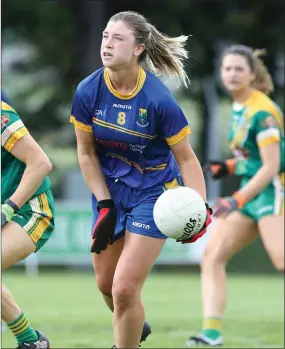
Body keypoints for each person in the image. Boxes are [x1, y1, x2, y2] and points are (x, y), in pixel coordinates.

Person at [70, 11, 212, 349]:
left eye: (117, 38)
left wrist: (200, 208)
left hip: (154, 194)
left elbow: (187, 158)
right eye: (105, 36)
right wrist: (104, 203)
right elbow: (86, 154)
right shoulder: (88, 90)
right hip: (111, 191)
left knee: (124, 289)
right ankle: (134, 323)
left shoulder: (158, 100)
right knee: (106, 285)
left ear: (138, 48)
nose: (107, 43)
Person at [187, 45, 284, 347]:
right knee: (212, 257)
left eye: (238, 69)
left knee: (282, 262)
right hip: (251, 194)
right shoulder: (239, 106)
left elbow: (271, 167)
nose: (231, 74)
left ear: (252, 74)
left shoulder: (262, 111)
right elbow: (252, 158)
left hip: (272, 193)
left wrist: (237, 199)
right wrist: (228, 166)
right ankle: (211, 335)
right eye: (227, 68)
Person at [1, 91, 55, 349]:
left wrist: (8, 208)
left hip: (30, 209)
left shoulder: (1, 115)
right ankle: (31, 343)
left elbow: (41, 163)